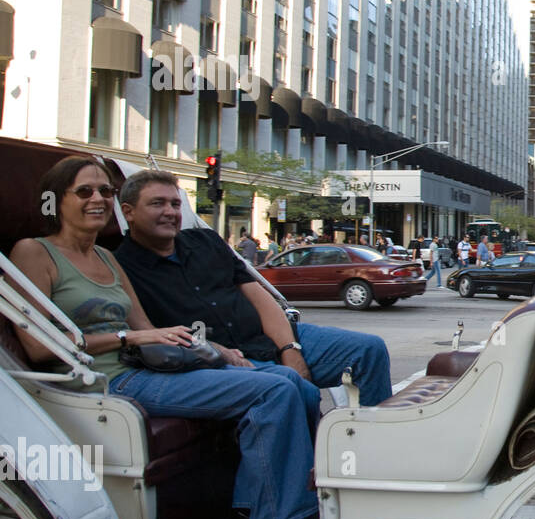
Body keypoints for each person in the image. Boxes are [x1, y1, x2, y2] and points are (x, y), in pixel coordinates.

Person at [11, 157, 320, 519]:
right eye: (84, 191)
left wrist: (213, 351)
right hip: (104, 384)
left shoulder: (106, 257)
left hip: (142, 369)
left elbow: (146, 326)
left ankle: (254, 510)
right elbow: (37, 345)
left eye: (105, 191)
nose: (98, 199)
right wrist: (127, 337)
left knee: (291, 380)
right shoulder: (35, 251)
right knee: (275, 389)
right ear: (55, 201)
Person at [114, 170, 395, 408]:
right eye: (157, 204)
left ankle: (372, 452)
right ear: (128, 212)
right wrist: (220, 353)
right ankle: (316, 465)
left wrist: (290, 349)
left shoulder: (205, 241)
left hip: (270, 336)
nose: (170, 212)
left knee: (369, 349)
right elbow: (149, 335)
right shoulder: (118, 265)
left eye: (175, 204)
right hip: (215, 358)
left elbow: (260, 298)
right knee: (299, 389)